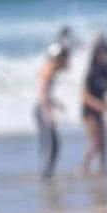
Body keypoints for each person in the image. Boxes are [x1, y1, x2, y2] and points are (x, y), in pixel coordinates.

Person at [81, 34, 107, 177]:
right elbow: (85, 97)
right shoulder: (91, 73)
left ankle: (103, 170)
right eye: (105, 53)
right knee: (96, 143)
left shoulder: (105, 71)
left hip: (100, 108)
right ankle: (84, 168)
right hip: (89, 110)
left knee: (104, 143)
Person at [34, 42, 69, 180]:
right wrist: (49, 113)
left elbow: (45, 93)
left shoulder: (50, 69)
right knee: (50, 144)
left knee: (51, 144)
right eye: (63, 56)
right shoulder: (49, 69)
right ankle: (46, 175)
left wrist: (57, 104)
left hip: (43, 107)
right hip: (43, 109)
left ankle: (48, 174)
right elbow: (43, 93)